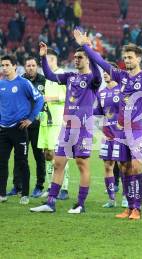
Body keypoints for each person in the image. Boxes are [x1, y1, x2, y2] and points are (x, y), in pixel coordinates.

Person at [74, 29, 142, 220]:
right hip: (121, 131)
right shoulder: (120, 76)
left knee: (136, 166)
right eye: (125, 57)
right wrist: (85, 46)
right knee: (123, 167)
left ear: (139, 58)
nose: (128, 60)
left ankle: (137, 208)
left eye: (130, 57)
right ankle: (129, 205)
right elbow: (101, 62)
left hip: (139, 129)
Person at [29, 42, 101, 214]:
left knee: (82, 164)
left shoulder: (93, 78)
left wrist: (91, 52)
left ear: (88, 59)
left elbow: (98, 74)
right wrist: (43, 56)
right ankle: (50, 202)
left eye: (80, 57)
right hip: (67, 127)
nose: (76, 60)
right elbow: (49, 75)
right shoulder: (70, 76)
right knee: (58, 163)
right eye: (75, 57)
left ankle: (80, 204)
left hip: (83, 128)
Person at [0, 55, 44, 204]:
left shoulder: (23, 83)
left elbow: (39, 99)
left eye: (7, 65)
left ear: (14, 66)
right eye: (2, 65)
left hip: (19, 129)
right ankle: (2, 193)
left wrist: (31, 118)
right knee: (2, 162)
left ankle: (24, 194)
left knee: (22, 162)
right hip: (3, 130)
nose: (4, 68)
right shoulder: (1, 84)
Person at [38, 48, 70, 201]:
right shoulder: (48, 77)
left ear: (54, 60)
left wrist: (47, 98)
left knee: (59, 155)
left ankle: (64, 188)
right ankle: (52, 185)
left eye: (48, 59)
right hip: (46, 121)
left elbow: (66, 96)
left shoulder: (62, 75)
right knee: (48, 154)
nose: (46, 62)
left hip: (58, 120)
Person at [94, 61, 128, 208]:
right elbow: (98, 115)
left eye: (108, 71)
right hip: (107, 136)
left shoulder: (123, 90)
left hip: (121, 135)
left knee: (124, 167)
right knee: (108, 166)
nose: (105, 73)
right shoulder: (101, 93)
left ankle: (127, 197)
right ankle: (111, 199)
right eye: (104, 71)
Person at [21, 56, 46, 197]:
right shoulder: (20, 81)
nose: (31, 68)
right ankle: (18, 187)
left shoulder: (44, 81)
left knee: (39, 157)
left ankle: (39, 186)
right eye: (28, 65)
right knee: (21, 156)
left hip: (38, 125)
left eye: (33, 65)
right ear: (25, 67)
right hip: (22, 124)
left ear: (37, 66)